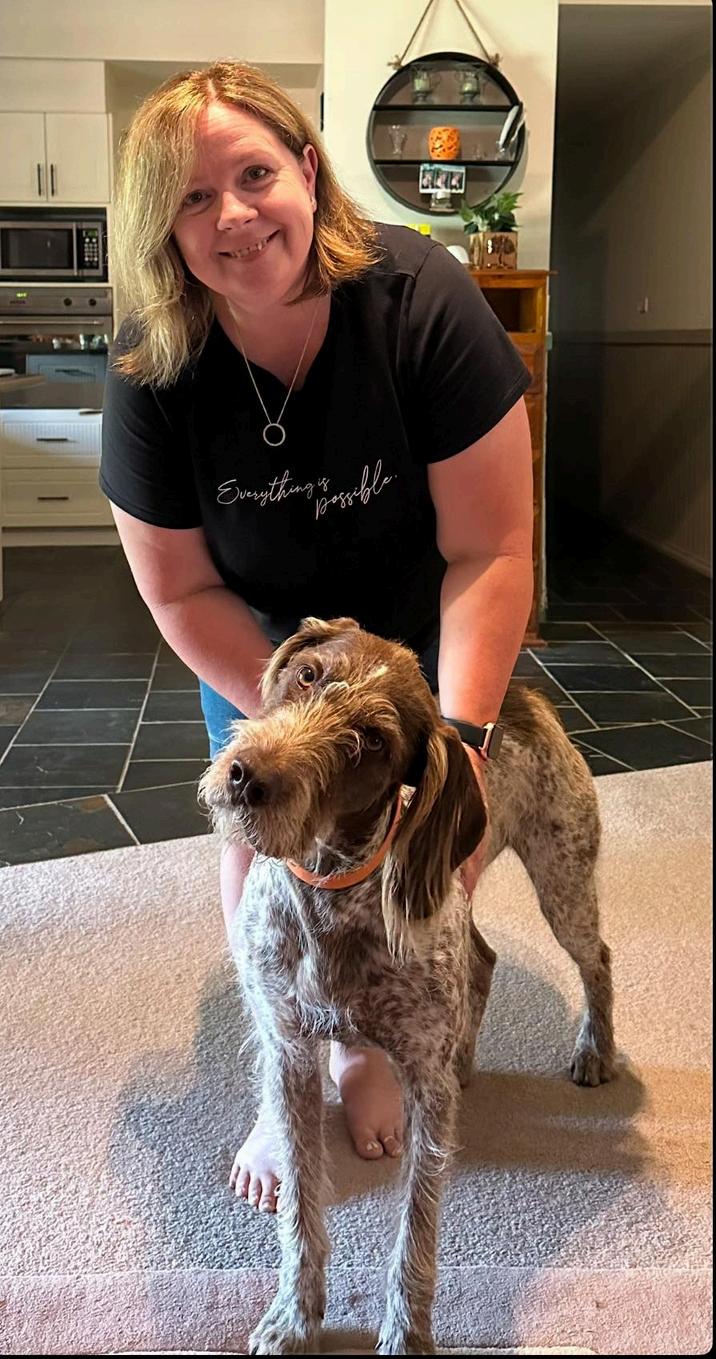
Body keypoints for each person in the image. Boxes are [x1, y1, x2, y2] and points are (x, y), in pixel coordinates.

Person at [100, 60, 534, 1215]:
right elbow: (178, 590)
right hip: (260, 643)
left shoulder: (421, 297)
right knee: (264, 838)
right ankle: (284, 1071)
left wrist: (460, 739)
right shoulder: (152, 362)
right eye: (193, 198)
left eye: (253, 175)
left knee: (421, 854)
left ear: (305, 169)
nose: (233, 215)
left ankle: (372, 1043)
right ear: (163, 227)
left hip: (415, 633)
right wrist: (293, 722)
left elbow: (490, 551)